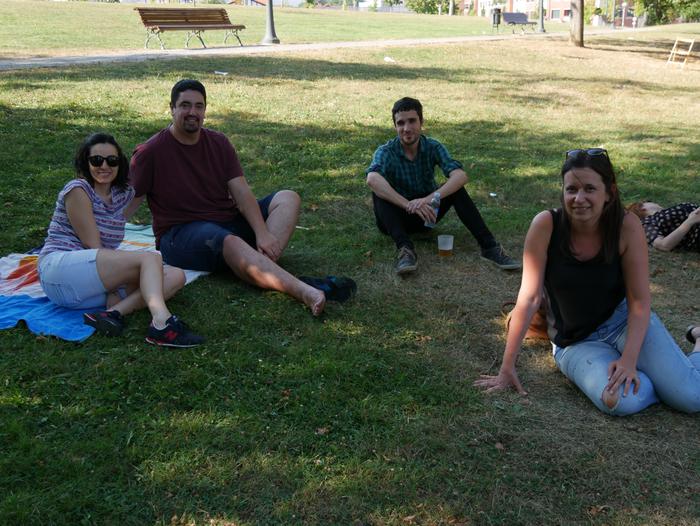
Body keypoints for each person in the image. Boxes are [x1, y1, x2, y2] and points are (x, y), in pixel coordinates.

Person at [474, 148, 700, 415]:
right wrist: (506, 367)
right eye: (571, 189)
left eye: (590, 189)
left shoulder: (626, 226)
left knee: (692, 398)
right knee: (617, 401)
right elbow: (529, 298)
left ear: (609, 193)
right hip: (576, 343)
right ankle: (666, 380)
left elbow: (639, 301)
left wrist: (629, 360)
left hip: (623, 323)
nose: (579, 198)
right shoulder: (546, 225)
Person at [128, 79, 329, 315]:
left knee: (288, 198)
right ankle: (303, 291)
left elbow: (242, 193)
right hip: (180, 235)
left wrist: (262, 233)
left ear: (205, 110)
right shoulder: (150, 152)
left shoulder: (218, 142)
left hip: (226, 221)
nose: (192, 112)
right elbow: (129, 203)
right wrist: (98, 239)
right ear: (172, 108)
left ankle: (260, 265)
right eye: (185, 105)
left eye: (199, 106)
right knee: (229, 241)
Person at [38, 133, 204, 347]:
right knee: (150, 258)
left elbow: (153, 178)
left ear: (119, 164)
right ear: (86, 163)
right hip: (59, 272)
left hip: (86, 290)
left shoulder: (120, 196)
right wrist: (115, 287)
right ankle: (161, 323)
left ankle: (112, 313)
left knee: (175, 275)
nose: (104, 166)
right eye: (96, 160)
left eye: (112, 160)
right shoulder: (78, 190)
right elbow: (92, 245)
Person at [366, 97, 520, 275]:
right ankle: (405, 249)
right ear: (395, 126)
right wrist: (408, 204)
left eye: (412, 121)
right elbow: (372, 178)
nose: (406, 128)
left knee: (456, 189)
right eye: (400, 123)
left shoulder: (433, 146)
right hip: (395, 219)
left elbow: (460, 176)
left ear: (421, 122)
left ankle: (489, 247)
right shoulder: (386, 151)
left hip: (427, 216)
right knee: (379, 191)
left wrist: (426, 200)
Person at [626, 201, 699, 252]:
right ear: (642, 208)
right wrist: (690, 221)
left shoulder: (663, 213)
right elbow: (663, 245)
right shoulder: (647, 223)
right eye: (649, 202)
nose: (656, 203)